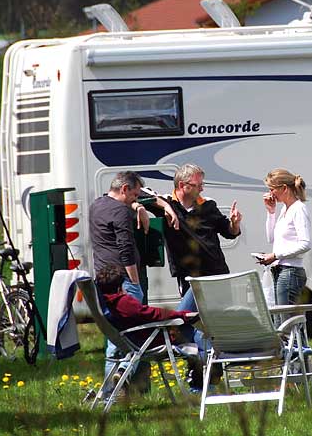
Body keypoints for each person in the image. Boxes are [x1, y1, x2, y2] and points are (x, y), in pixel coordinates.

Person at [145, 163, 241, 389]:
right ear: (182, 186)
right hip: (188, 279)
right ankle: (208, 371)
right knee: (186, 325)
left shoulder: (207, 207)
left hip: (215, 275)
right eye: (197, 185)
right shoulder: (168, 205)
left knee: (192, 324)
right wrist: (167, 208)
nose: (201, 189)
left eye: (201, 184)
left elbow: (229, 232)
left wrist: (235, 224)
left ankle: (202, 380)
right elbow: (141, 195)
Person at [89, 171, 177, 389]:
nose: (136, 198)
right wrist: (135, 281)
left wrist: (138, 207)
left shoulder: (97, 205)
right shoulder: (120, 211)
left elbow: (140, 199)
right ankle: (120, 376)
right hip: (125, 281)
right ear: (124, 189)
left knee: (114, 336)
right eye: (134, 195)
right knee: (136, 335)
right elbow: (125, 248)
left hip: (103, 280)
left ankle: (112, 388)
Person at [95, 264, 196, 396]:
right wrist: (182, 315)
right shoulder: (123, 303)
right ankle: (203, 382)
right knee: (197, 331)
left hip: (136, 342)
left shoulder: (107, 304)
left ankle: (121, 374)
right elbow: (152, 313)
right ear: (120, 286)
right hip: (155, 340)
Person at [258, 168, 311, 326]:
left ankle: (296, 349)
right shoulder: (284, 210)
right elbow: (271, 238)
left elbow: (305, 243)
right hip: (280, 270)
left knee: (287, 322)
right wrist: (271, 212)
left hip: (291, 271)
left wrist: (275, 255)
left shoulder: (298, 209)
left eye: (272, 189)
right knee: (279, 321)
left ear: (284, 188)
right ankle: (290, 349)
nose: (270, 194)